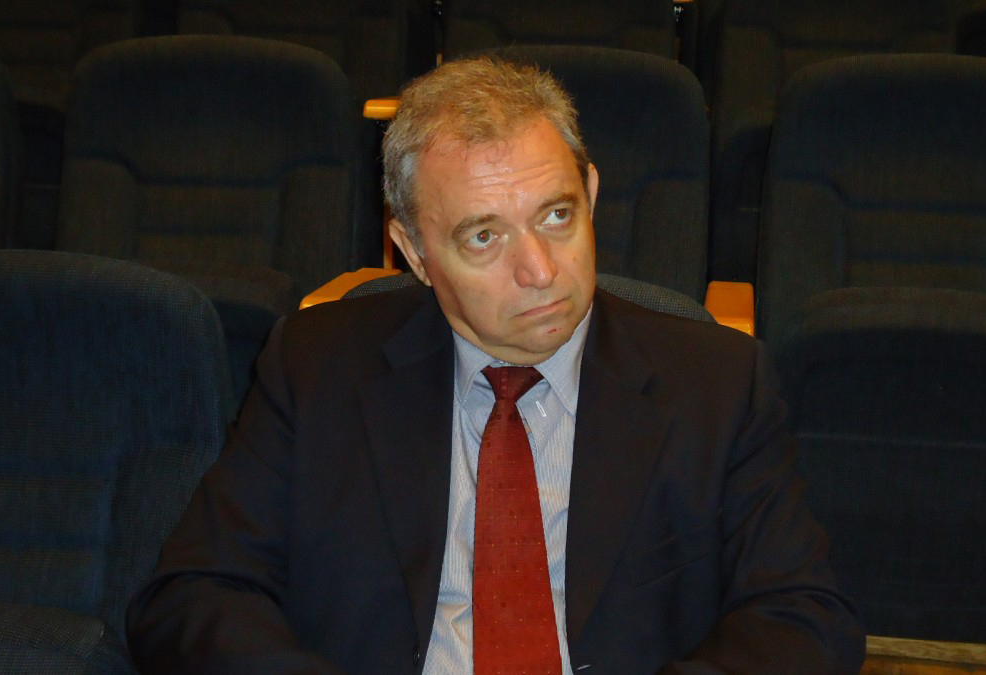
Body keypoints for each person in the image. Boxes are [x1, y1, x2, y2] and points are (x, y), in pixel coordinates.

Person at [126, 56, 865, 674]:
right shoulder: (317, 366)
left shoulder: (718, 383)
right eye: (484, 237)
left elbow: (804, 617)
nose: (540, 271)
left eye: (557, 214)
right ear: (414, 252)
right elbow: (191, 596)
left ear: (592, 194)